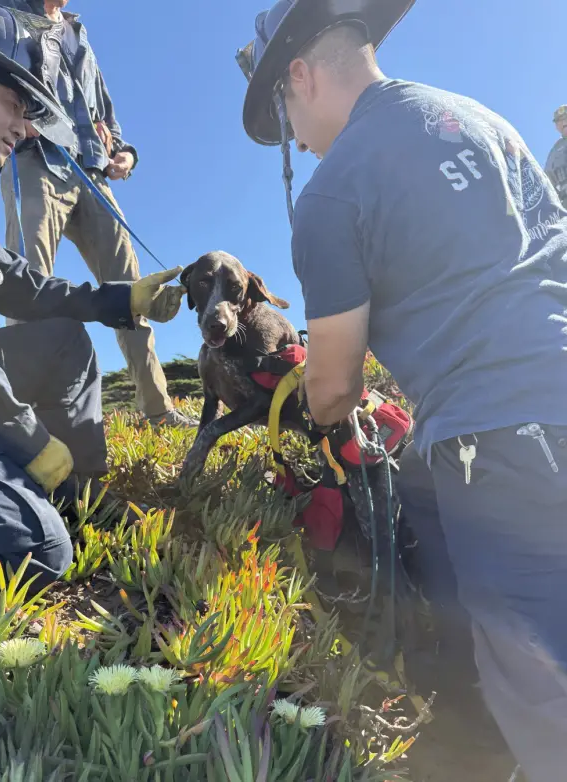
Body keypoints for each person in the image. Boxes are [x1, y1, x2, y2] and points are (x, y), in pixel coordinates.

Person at [236, 1, 567, 780]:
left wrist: (316, 410)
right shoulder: (483, 120)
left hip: (501, 445)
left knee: (547, 694)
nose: (299, 142)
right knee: (424, 489)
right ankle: (469, 732)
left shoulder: (331, 193)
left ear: (300, 77)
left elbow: (333, 384)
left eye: (287, 119)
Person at [0, 0, 187, 586]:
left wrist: (118, 301)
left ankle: (78, 499)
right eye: (14, 105)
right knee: (36, 548)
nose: (25, 127)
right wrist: (27, 438)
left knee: (60, 342)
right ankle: (31, 512)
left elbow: (14, 281)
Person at [0, 0, 196, 429]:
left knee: (132, 288)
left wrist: (126, 153)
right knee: (29, 284)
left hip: (91, 171)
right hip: (34, 160)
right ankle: (27, 420)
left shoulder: (77, 31)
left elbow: (103, 111)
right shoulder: (5, 13)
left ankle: (158, 410)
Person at [545, 105, 567, 207]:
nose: (564, 122)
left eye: (566, 117)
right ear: (556, 126)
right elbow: (547, 182)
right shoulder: (554, 151)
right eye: (559, 120)